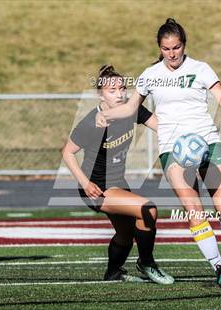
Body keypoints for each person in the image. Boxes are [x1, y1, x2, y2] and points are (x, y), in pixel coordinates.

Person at [96, 19, 221, 290]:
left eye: (176, 47)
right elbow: (131, 108)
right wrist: (105, 114)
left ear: (184, 45)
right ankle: (219, 268)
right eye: (166, 48)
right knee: (194, 210)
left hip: (207, 144)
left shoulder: (201, 68)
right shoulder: (149, 74)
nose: (172, 54)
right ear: (160, 48)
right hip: (173, 150)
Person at [62, 64, 174, 285]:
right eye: (112, 91)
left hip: (118, 183)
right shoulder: (92, 121)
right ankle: (147, 263)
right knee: (148, 209)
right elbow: (67, 152)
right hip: (97, 186)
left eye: (122, 88)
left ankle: (113, 272)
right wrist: (85, 183)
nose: (120, 94)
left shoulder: (131, 110)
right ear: (101, 95)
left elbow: (163, 127)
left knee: (125, 234)